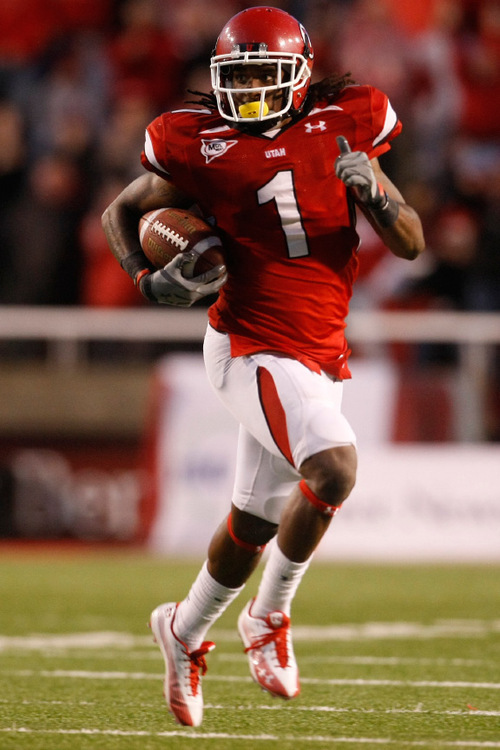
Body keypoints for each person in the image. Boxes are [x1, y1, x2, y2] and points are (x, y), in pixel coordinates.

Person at [101, 6, 425, 727]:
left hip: (318, 347)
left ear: (300, 75)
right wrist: (145, 278)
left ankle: (183, 631)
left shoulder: (350, 121)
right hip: (247, 341)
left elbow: (410, 242)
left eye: (262, 74)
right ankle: (268, 619)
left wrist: (371, 190)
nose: (248, 89)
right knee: (334, 469)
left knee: (253, 520)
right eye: (236, 75)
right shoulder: (196, 142)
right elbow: (121, 214)